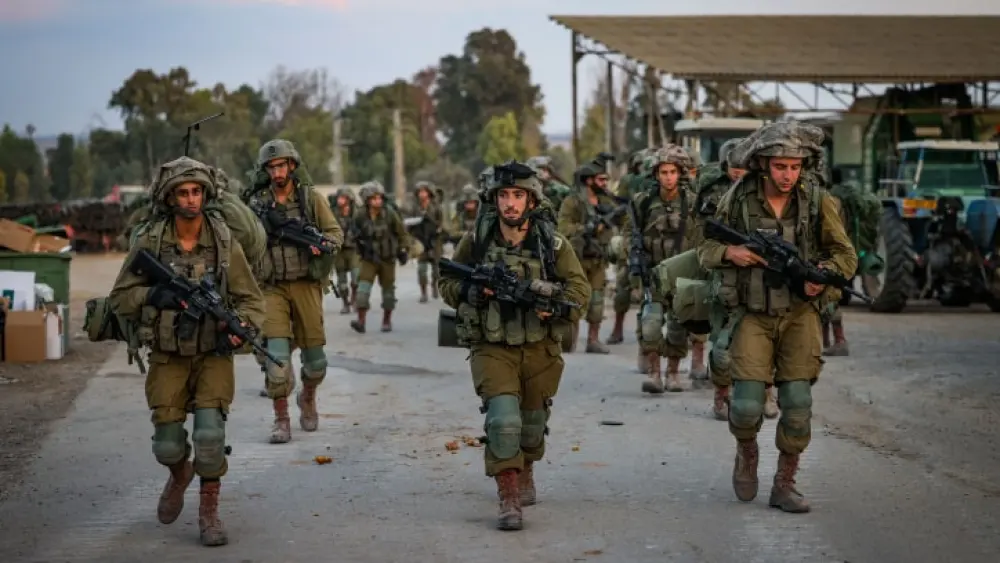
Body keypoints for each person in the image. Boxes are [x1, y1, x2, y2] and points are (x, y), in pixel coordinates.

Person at [697, 121, 857, 513]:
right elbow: (704, 247)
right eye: (781, 166)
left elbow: (846, 257)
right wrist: (729, 254)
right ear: (764, 164)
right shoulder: (737, 198)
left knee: (798, 403)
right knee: (748, 405)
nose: (788, 175)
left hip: (800, 315)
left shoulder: (818, 201)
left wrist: (822, 276)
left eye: (795, 167)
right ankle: (746, 451)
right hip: (752, 315)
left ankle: (785, 482)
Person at [108, 157, 266, 546]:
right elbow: (120, 297)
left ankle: (209, 513)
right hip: (167, 355)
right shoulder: (152, 240)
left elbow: (251, 300)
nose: (191, 199)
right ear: (170, 197)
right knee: (167, 444)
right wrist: (155, 294)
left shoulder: (224, 240)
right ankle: (180, 474)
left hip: (213, 354)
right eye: (183, 192)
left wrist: (240, 330)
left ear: (206, 195)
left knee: (210, 438)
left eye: (197, 191)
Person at [438, 161, 589, 531]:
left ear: (531, 200)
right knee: (504, 420)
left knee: (532, 426)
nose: (510, 203)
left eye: (517, 195)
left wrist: (550, 304)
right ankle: (508, 496)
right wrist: (471, 292)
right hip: (492, 346)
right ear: (494, 200)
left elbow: (580, 292)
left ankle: (526, 470)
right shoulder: (476, 240)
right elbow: (446, 283)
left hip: (540, 347)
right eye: (504, 195)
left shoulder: (554, 245)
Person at [245, 139, 343, 444]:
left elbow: (336, 233)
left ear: (292, 165)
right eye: (272, 167)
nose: (277, 172)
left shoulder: (309, 199)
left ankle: (307, 396)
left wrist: (321, 246)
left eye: (282, 165)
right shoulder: (255, 205)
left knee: (316, 364)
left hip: (306, 285)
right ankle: (281, 418)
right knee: (277, 362)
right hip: (270, 288)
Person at [623, 145, 696, 394]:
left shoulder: (691, 203)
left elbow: (701, 238)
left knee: (677, 329)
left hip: (681, 277)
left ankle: (673, 373)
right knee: (651, 325)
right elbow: (628, 235)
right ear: (656, 174)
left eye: (672, 172)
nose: (668, 177)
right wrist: (634, 262)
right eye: (663, 172)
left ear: (680, 174)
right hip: (653, 275)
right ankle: (654, 373)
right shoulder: (643, 203)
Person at [557, 161, 622, 354]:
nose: (602, 183)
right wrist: (587, 228)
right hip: (577, 259)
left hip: (598, 258)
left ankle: (593, 340)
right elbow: (563, 228)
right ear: (588, 180)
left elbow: (624, 218)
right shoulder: (573, 202)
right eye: (598, 179)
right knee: (574, 299)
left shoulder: (607, 201)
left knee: (597, 301)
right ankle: (569, 340)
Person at [350, 180, 410, 333]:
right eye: (374, 198)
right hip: (369, 259)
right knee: (362, 290)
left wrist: (403, 250)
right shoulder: (360, 215)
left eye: (379, 197)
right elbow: (352, 233)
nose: (378, 201)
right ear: (367, 200)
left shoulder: (389, 213)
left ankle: (386, 320)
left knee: (388, 292)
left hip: (387, 258)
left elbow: (401, 232)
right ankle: (361, 321)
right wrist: (358, 242)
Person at [412, 181, 445, 303]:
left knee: (436, 269)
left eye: (424, 191)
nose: (422, 194)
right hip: (420, 241)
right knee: (421, 269)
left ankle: (435, 286)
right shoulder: (415, 208)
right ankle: (423, 293)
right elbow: (409, 222)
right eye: (420, 192)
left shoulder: (436, 207)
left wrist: (438, 229)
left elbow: (441, 223)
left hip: (435, 241)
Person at [332, 187, 361, 314]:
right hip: (339, 250)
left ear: (349, 199)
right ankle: (345, 303)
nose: (340, 200)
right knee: (342, 281)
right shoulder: (332, 213)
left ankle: (354, 298)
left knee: (356, 278)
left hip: (354, 249)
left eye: (343, 198)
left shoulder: (357, 213)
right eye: (339, 197)